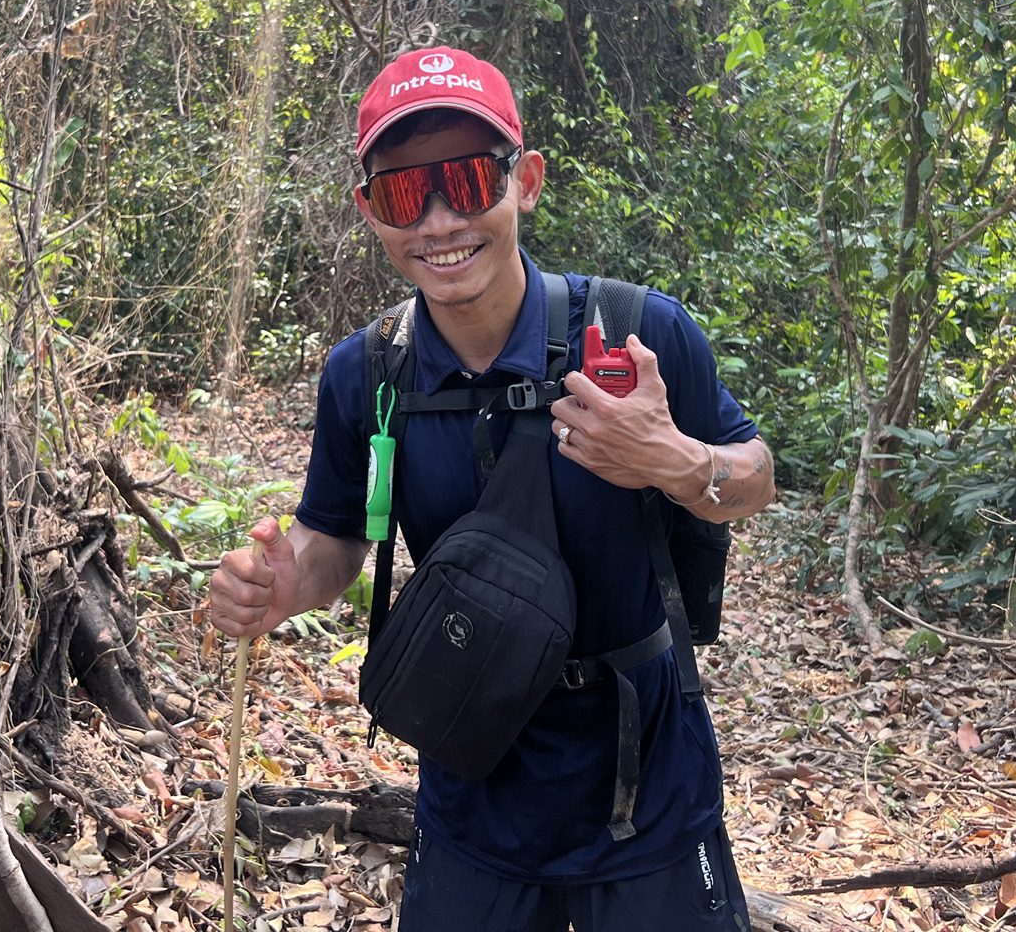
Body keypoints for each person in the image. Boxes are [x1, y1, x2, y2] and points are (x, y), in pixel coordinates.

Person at [207, 46, 776, 931]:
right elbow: (334, 541)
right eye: (403, 193)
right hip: (474, 774)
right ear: (370, 211)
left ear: (526, 182)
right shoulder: (368, 375)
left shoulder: (636, 333)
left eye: (469, 180)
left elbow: (754, 477)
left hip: (647, 785)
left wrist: (670, 458)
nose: (438, 220)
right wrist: (280, 587)